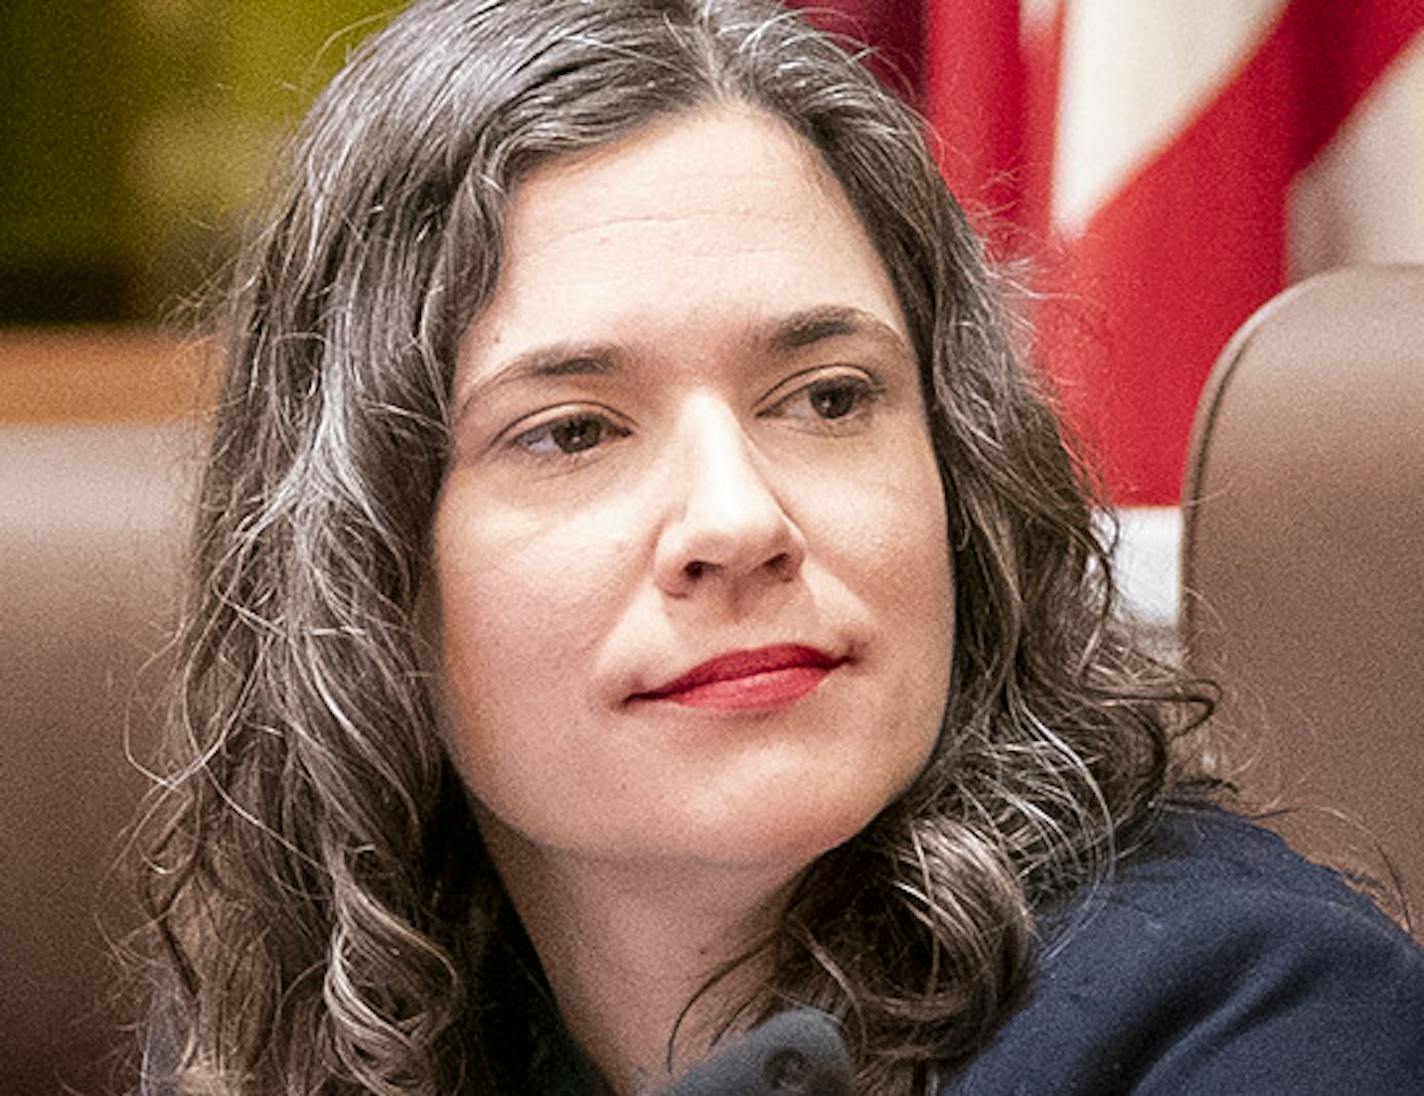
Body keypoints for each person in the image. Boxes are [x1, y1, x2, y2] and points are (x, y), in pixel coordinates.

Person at [137, 1, 1424, 1093]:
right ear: (361, 564)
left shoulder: (1255, 1020)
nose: (737, 521)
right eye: (574, 430)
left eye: (826, 397)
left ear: (958, 474)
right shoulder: (300, 996)